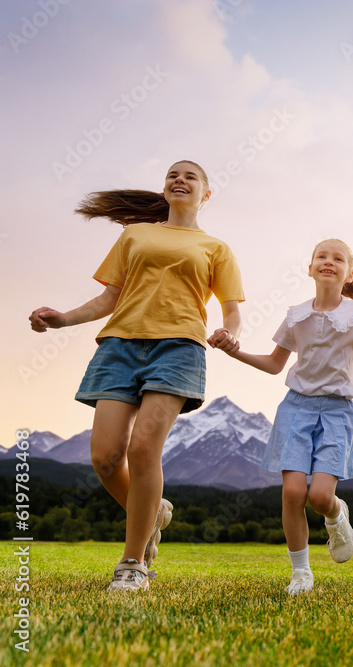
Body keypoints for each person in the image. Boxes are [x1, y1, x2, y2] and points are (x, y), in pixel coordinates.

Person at [29, 160, 244, 591]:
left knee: (144, 449)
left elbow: (232, 310)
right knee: (106, 458)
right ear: (165, 189)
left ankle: (133, 563)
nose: (179, 180)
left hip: (178, 348)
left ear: (206, 193)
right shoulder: (134, 235)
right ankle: (151, 512)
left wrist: (229, 334)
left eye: (190, 176)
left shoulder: (215, 247)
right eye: (172, 175)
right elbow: (109, 297)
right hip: (119, 348)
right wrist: (63, 318)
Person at [216, 238, 353, 595]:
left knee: (319, 497)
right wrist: (235, 351)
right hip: (295, 407)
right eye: (321, 256)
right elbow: (275, 365)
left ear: (348, 272)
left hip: (337, 412)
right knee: (293, 492)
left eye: (338, 258)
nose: (328, 261)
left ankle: (337, 517)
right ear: (309, 269)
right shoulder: (295, 314)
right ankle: (301, 573)